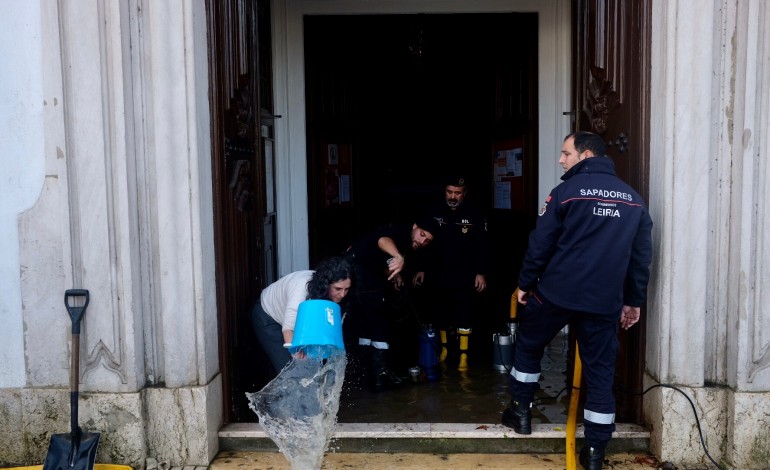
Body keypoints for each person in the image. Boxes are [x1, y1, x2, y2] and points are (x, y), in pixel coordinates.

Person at [501, 131, 653, 470]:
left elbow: (540, 244)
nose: (560, 160)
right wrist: (633, 301)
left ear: (585, 155)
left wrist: (525, 283)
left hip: (556, 294)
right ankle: (596, 452)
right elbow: (640, 258)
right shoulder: (633, 200)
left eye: (565, 152)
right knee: (600, 372)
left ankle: (521, 414)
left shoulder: (565, 193)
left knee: (528, 345)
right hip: (603, 301)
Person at [345, 217, 440, 392]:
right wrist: (398, 257)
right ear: (415, 226)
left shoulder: (409, 243)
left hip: (366, 274)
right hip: (356, 270)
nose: (422, 241)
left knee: (367, 324)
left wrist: (396, 275)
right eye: (421, 234)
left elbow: (382, 260)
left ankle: (366, 376)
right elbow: (381, 240)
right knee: (379, 322)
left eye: (427, 240)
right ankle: (379, 375)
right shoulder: (400, 231)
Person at [412, 175, 489, 371]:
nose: (453, 196)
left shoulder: (474, 214)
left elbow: (483, 246)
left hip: (465, 273)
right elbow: (421, 241)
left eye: (457, 193)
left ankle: (464, 355)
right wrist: (421, 268)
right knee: (441, 313)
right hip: (439, 272)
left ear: (464, 194)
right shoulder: (433, 212)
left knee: (465, 313)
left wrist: (481, 272)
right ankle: (444, 350)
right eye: (449, 192)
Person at [250, 256, 354, 377]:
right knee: (290, 371)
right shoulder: (302, 288)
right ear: (326, 284)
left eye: (346, 289)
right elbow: (288, 328)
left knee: (311, 369)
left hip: (296, 321)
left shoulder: (335, 295)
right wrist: (297, 355)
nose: (342, 294)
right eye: (338, 289)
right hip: (268, 316)